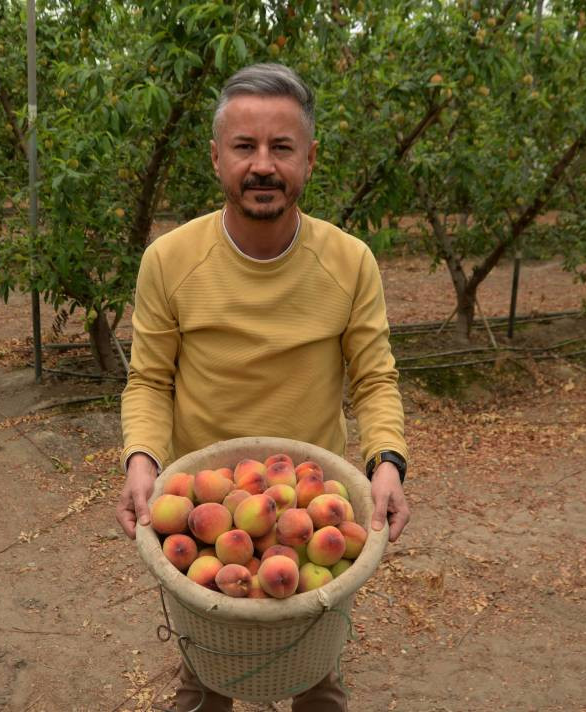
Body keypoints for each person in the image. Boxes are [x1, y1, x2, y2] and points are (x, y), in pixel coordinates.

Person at [115, 62, 410, 712]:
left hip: (310, 508)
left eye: (281, 147)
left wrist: (386, 461)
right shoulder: (170, 259)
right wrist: (142, 458)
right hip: (207, 511)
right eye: (245, 146)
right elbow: (148, 381)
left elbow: (374, 377)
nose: (263, 165)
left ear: (309, 157)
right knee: (207, 676)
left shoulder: (348, 261)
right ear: (217, 156)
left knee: (314, 676)